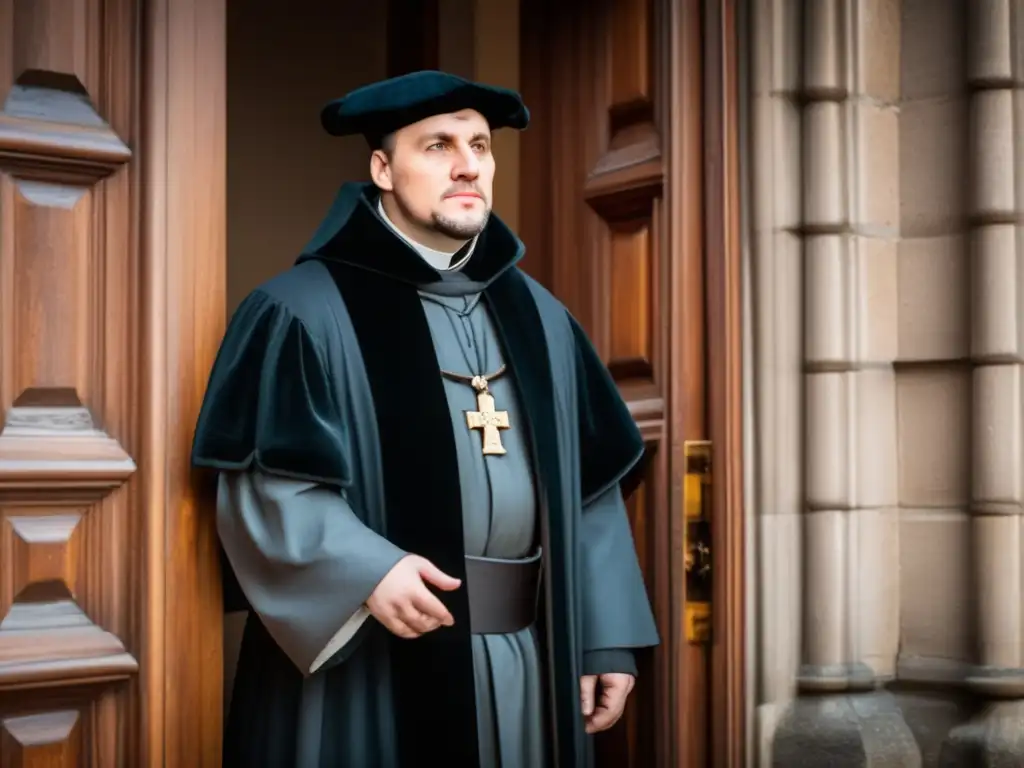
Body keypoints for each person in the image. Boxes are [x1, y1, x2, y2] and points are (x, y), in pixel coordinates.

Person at [191, 69, 659, 768]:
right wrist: (364, 571)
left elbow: (592, 491)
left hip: (530, 659)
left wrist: (605, 635)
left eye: (479, 145)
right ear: (382, 167)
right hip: (374, 670)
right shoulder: (300, 312)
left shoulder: (541, 317)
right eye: (437, 145)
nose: (469, 164)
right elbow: (264, 485)